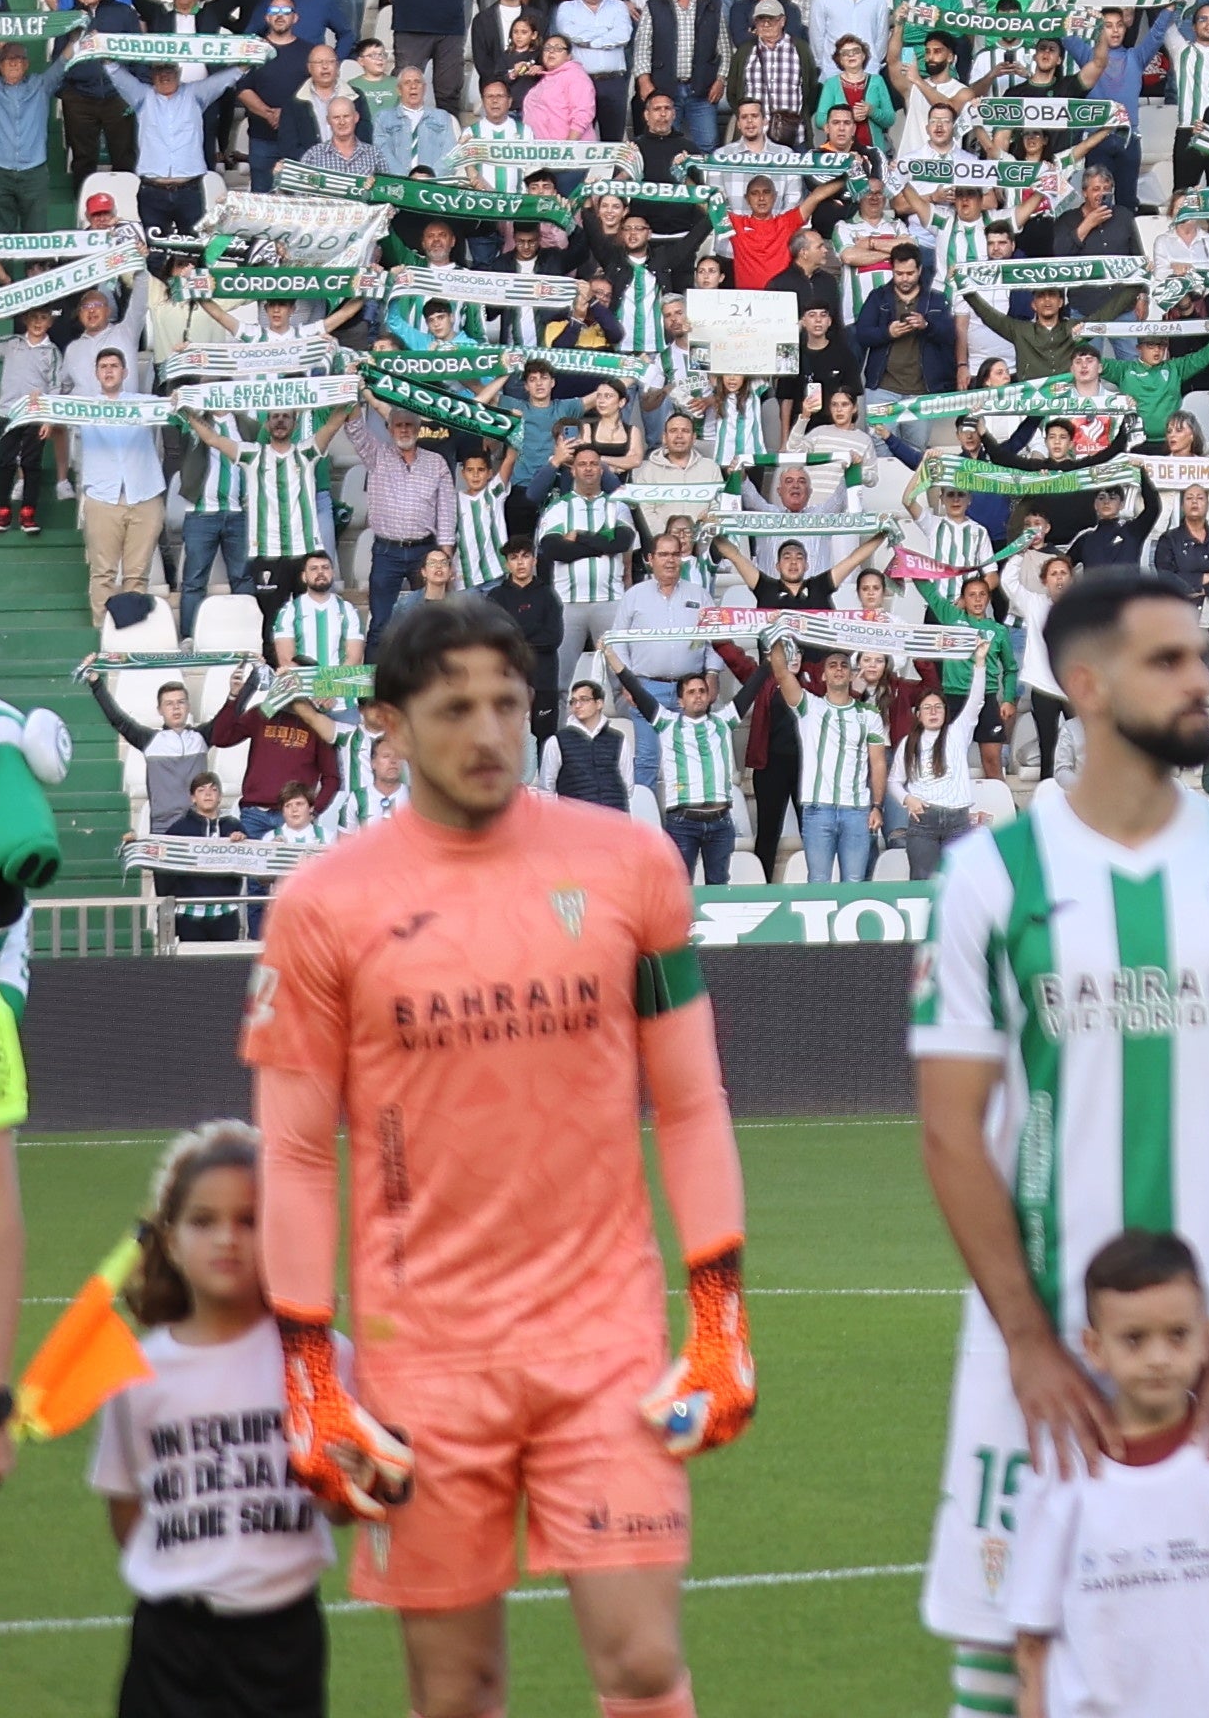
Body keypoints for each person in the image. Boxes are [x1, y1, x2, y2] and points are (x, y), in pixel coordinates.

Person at [246, 594, 751, 1718]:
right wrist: (307, 1374)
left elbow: (692, 1101)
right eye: (453, 707)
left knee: (642, 1666)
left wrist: (718, 1315)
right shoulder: (323, 904)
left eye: (506, 704)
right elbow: (293, 1150)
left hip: (605, 1349)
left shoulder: (632, 866)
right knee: (458, 1691)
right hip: (421, 1360)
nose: (486, 732)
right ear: (389, 722)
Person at [915, 567, 1209, 1718]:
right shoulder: (991, 876)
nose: (1206, 680)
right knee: (1007, 1668)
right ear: (1086, 685)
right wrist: (1027, 1343)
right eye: (1171, 661)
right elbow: (951, 1130)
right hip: (1036, 1351)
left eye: (1202, 657)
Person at [997, 1231, 1209, 1718]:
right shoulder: (1062, 1476)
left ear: (1206, 1338)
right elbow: (1032, 1634)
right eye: (1134, 1340)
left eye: (1177, 1336)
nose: (1159, 1358)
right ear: (1094, 1347)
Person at [85, 1119, 331, 1718]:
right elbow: (127, 1511)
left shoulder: (319, 1359)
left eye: (250, 1220)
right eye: (204, 1221)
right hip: (172, 1643)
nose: (228, 1238)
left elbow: (344, 1502)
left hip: (282, 1639)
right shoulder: (137, 1371)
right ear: (169, 1240)